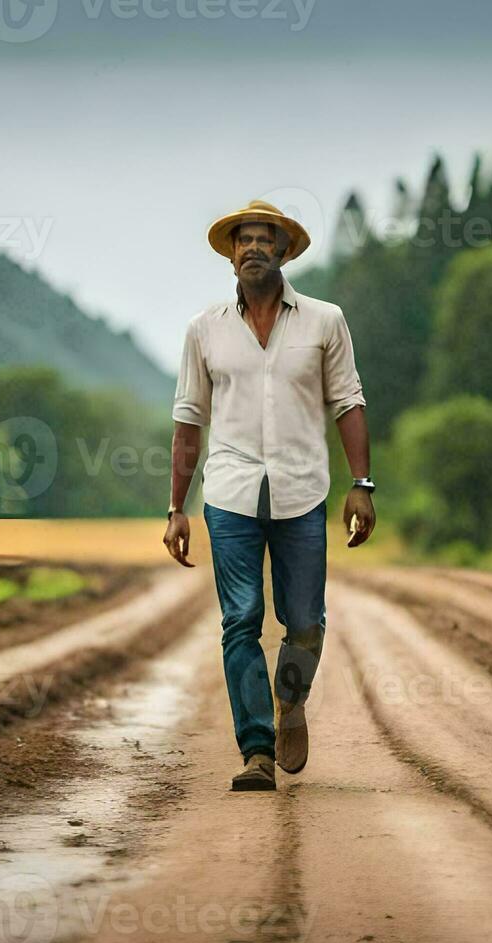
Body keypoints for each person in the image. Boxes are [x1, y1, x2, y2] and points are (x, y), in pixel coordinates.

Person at [164, 200, 376, 791]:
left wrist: (361, 485)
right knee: (241, 620)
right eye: (243, 241)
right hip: (228, 493)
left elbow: (349, 403)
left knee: (305, 621)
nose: (252, 248)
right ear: (231, 255)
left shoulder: (324, 321)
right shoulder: (203, 330)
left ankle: (291, 702)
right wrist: (176, 507)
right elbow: (188, 420)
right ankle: (256, 749)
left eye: (264, 239)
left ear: (284, 252)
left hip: (303, 490)